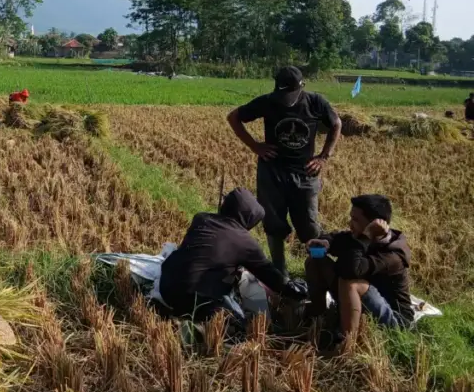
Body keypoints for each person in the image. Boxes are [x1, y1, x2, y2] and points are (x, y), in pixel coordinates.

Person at [227, 66, 342, 277]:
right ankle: (280, 271)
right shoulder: (267, 101)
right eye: (282, 94)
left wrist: (324, 156)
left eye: (290, 94)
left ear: (301, 87)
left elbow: (336, 123)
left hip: (305, 175)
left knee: (310, 227)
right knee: (273, 223)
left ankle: (318, 269)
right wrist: (255, 146)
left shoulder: (315, 102)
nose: (285, 99)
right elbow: (233, 117)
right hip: (272, 173)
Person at [158, 187, 306, 325]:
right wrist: (291, 289)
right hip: (196, 300)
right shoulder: (245, 242)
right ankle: (196, 326)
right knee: (239, 326)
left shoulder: (201, 218)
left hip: (166, 286)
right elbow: (268, 274)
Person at [305, 194, 413, 339]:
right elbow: (337, 238)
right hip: (362, 303)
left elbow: (352, 270)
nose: (350, 224)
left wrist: (365, 237)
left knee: (350, 283)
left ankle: (345, 343)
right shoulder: (356, 237)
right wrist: (324, 243)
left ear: (374, 225)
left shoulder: (393, 256)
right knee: (316, 260)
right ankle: (318, 316)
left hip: (394, 318)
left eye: (355, 220)